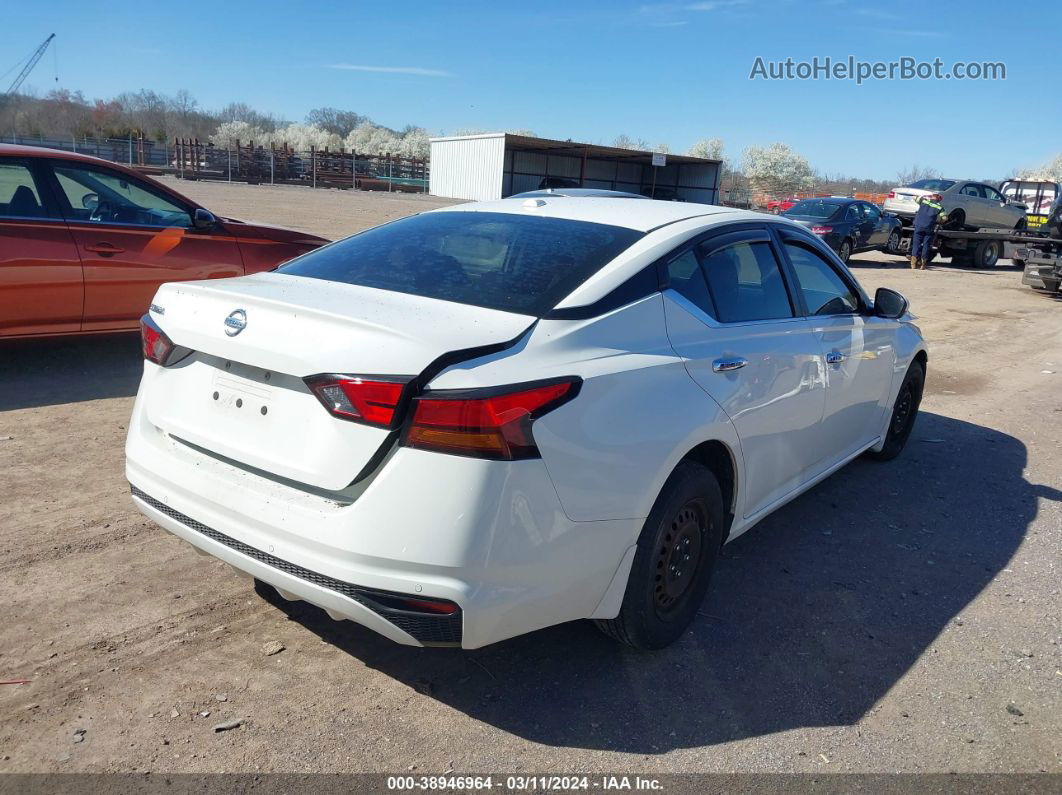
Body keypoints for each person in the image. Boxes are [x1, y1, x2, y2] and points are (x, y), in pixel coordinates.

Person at [910, 193, 946, 270]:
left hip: (919, 226)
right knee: (926, 245)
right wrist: (940, 221)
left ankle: (913, 264)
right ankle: (923, 264)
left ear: (932, 197)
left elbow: (914, 197)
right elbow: (945, 218)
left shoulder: (924, 201)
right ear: (938, 199)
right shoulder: (940, 207)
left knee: (916, 244)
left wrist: (926, 196)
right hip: (929, 228)